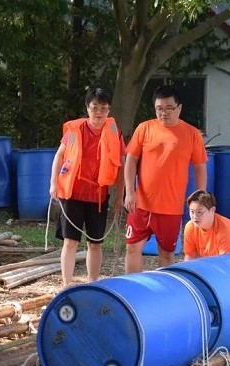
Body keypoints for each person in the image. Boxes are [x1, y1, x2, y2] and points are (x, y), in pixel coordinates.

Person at [124, 85, 208, 273]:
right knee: (132, 247)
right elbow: (131, 159)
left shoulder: (192, 134)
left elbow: (200, 166)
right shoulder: (144, 128)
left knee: (167, 253)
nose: (164, 112)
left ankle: (166, 296)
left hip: (171, 207)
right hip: (141, 203)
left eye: (169, 108)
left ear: (179, 108)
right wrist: (130, 191)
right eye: (159, 108)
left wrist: (200, 197)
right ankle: (132, 291)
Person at [49, 88, 125, 288]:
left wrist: (120, 195)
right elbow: (59, 155)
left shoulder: (115, 134)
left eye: (104, 108)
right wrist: (53, 183)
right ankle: (67, 284)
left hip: (98, 196)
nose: (99, 112)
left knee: (95, 243)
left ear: (108, 110)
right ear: (87, 108)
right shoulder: (75, 130)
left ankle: (93, 283)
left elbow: (121, 165)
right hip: (72, 193)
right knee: (70, 241)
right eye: (95, 108)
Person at [183, 190, 230, 260]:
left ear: (212, 210)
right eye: (192, 212)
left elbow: (226, 264)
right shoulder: (190, 227)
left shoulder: (225, 231)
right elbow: (189, 256)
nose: (194, 216)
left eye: (199, 212)